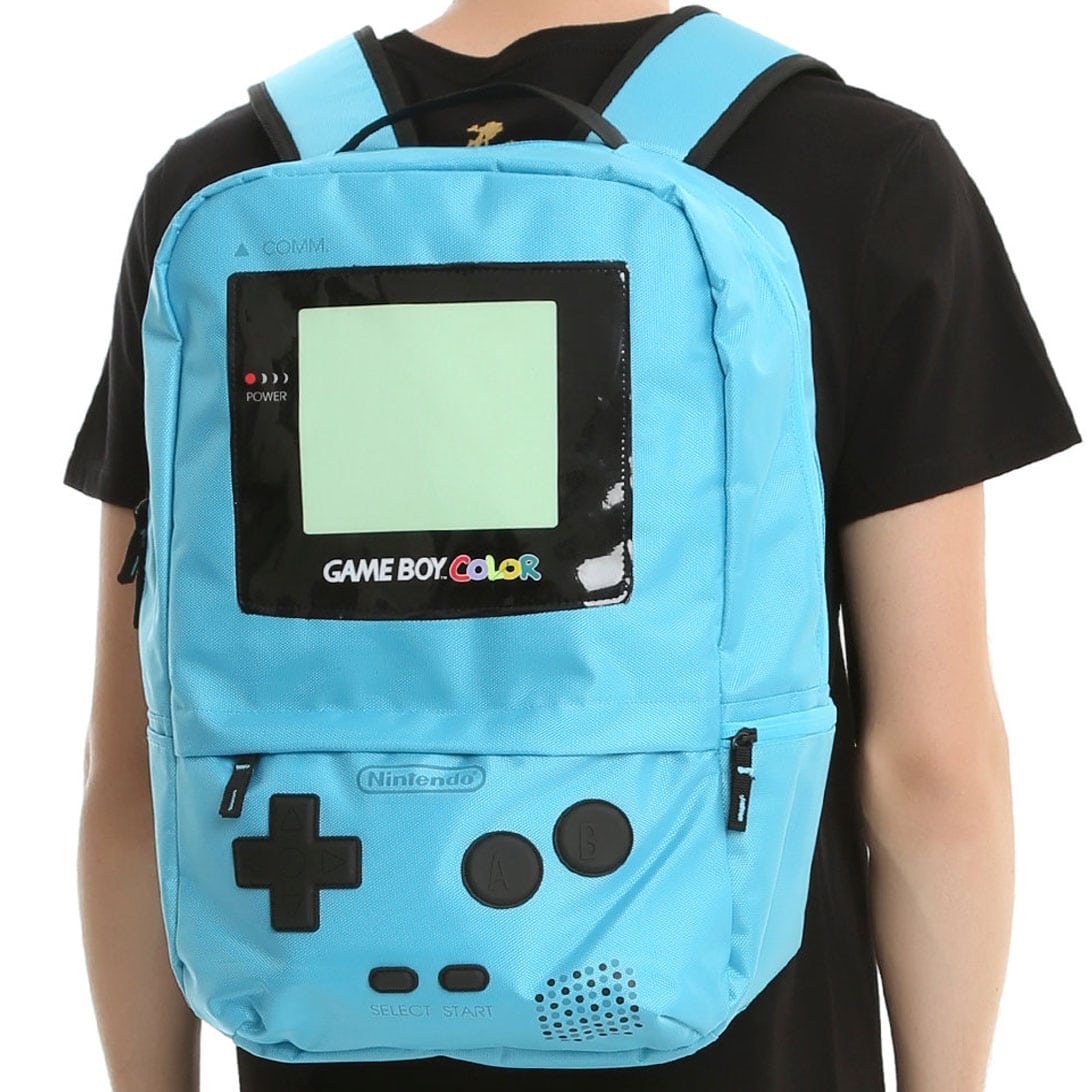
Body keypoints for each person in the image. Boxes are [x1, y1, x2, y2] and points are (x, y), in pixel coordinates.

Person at [64, 2, 1081, 1090]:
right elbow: (931, 767)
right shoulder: (864, 173)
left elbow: (128, 769)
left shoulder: (223, 183)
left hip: (319, 1004)